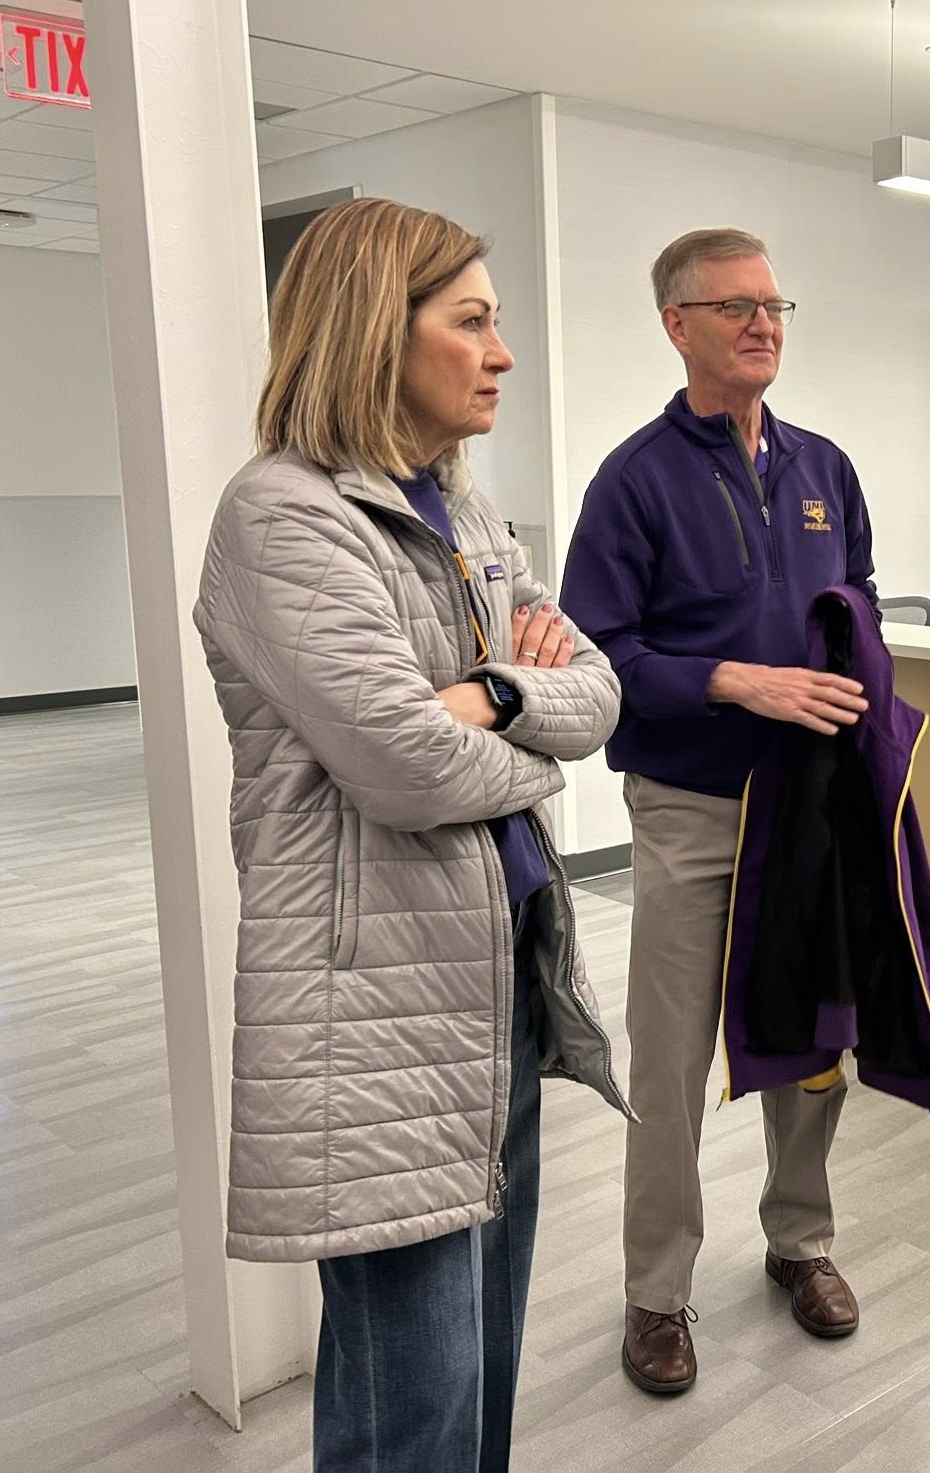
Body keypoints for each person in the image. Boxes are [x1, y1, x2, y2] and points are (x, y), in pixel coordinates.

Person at [194, 198, 631, 1471]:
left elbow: (596, 693)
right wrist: (521, 734)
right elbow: (402, 763)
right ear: (374, 329)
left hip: (496, 975)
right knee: (412, 1402)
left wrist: (490, 693)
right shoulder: (284, 516)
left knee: (482, 1363)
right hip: (375, 1005)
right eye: (472, 322)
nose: (503, 354)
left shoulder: (464, 511)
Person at [561, 227, 878, 1397]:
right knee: (673, 1059)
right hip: (691, 809)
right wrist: (736, 681)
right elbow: (597, 657)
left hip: (810, 807)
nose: (761, 324)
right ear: (676, 325)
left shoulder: (823, 469)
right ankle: (655, 1293)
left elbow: (859, 598)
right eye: (735, 306)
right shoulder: (634, 480)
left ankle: (800, 1241)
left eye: (774, 305)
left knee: (813, 1041)